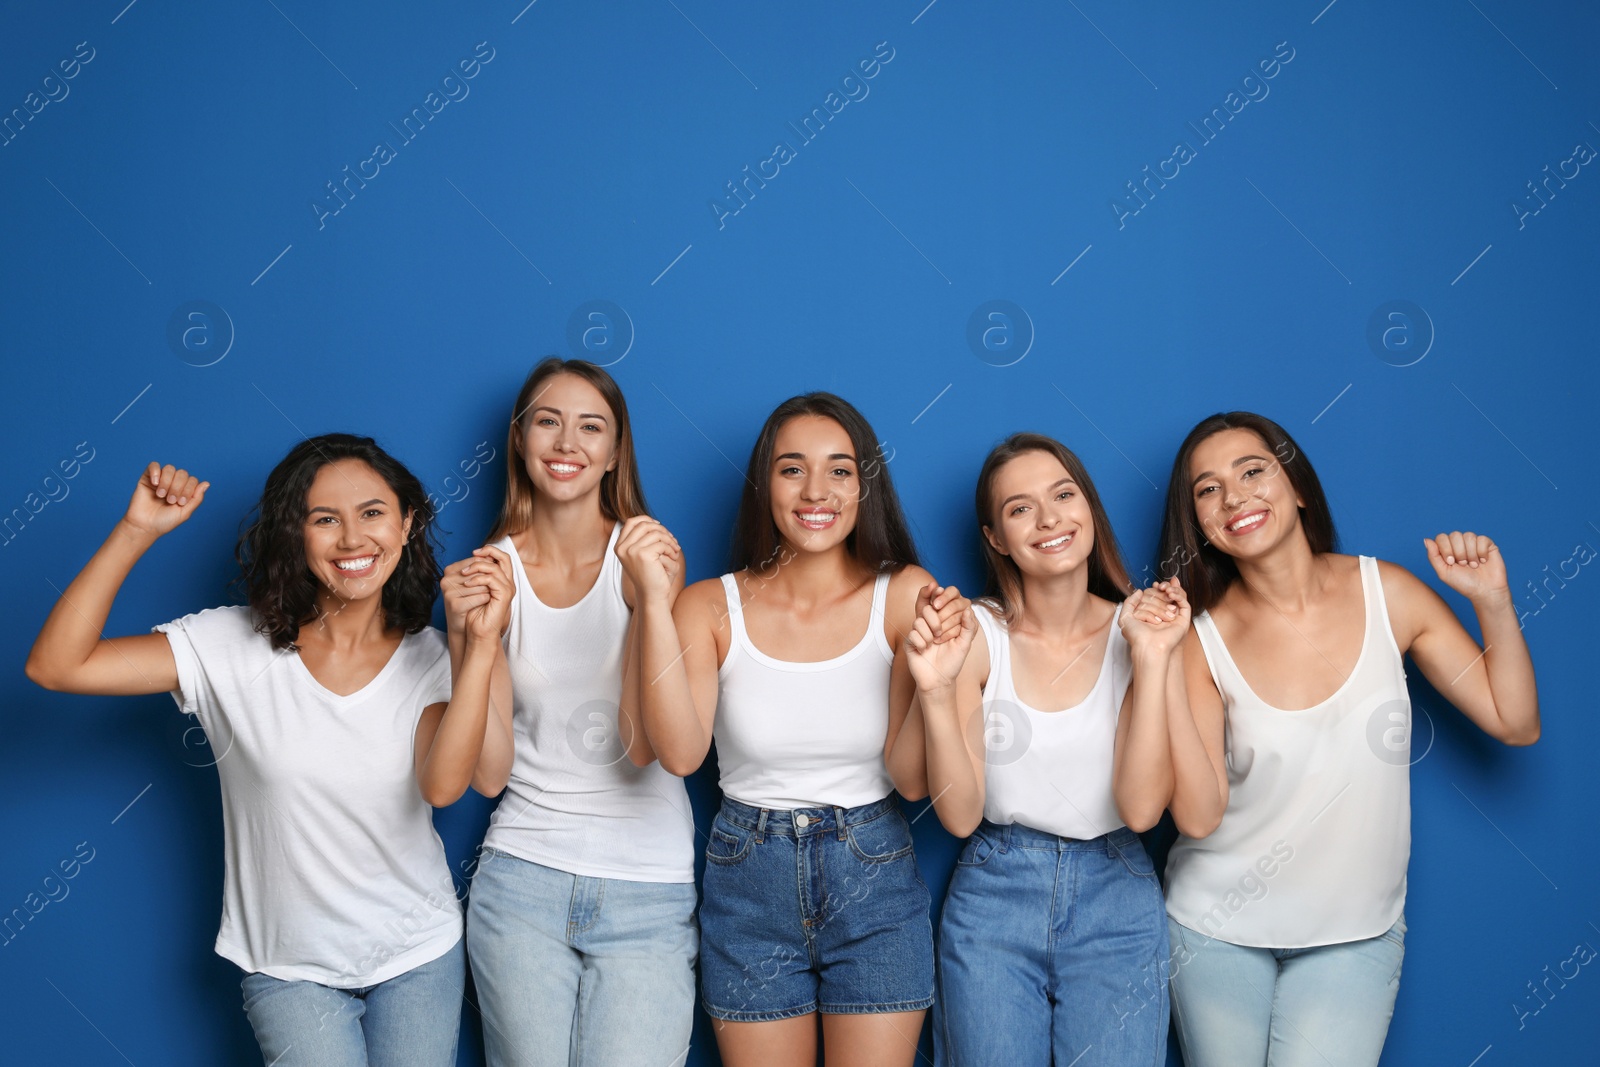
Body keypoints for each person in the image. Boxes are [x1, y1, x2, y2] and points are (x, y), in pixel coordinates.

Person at [26, 434, 510, 1066]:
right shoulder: (229, 645)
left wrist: (479, 644)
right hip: (288, 968)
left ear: (406, 522)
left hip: (420, 955)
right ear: (295, 533)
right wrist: (137, 529)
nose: (352, 540)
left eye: (371, 513)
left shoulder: (435, 658)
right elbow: (58, 666)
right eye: (325, 519)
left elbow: (457, 784)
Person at [1157, 411, 1540, 1067]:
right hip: (1215, 928)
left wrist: (1493, 599)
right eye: (1208, 488)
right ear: (1200, 527)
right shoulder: (1199, 639)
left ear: (1297, 486)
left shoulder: (1388, 592)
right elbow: (1195, 813)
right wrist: (1157, 662)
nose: (1236, 496)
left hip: (1355, 933)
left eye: (1253, 470)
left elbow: (1515, 720)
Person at [625, 392, 962, 1067]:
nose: (817, 490)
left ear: (865, 484)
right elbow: (680, 752)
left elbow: (913, 777)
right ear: (764, 483)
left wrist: (934, 684)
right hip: (748, 879)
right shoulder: (708, 606)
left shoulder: (903, 595)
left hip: (873, 873)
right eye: (792, 469)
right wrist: (656, 605)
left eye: (840, 470)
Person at [898, 432, 1204, 1065]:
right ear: (994, 537)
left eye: (1064, 494)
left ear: (1088, 506)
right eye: (1019, 508)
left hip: (1116, 895)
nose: (1048, 519)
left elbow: (1144, 811)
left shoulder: (1144, 629)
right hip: (995, 895)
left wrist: (1151, 661)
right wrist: (934, 690)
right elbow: (958, 815)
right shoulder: (974, 633)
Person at [451, 358, 699, 1067]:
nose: (567, 443)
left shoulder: (648, 557)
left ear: (615, 450)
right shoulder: (486, 573)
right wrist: (478, 639)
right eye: (548, 422)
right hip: (521, 879)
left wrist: (653, 601)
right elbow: (489, 772)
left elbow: (657, 747)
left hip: (647, 888)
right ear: (520, 439)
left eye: (591, 426)